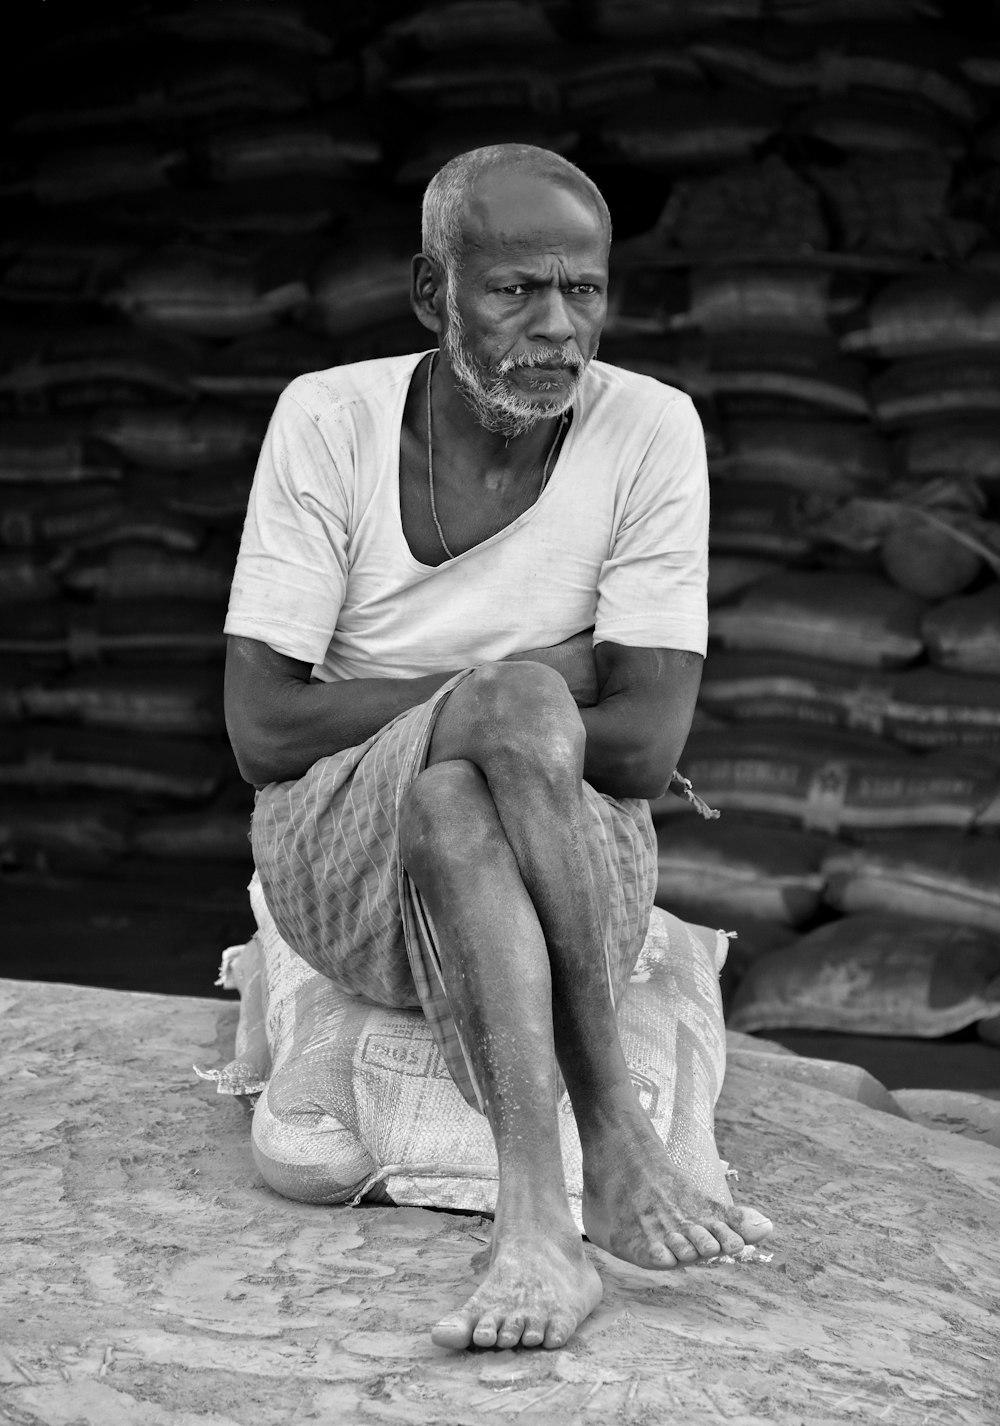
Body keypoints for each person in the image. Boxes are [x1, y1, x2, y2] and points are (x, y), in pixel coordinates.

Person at [223, 142, 773, 1352]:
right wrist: (526, 679)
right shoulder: (328, 419)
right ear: (434, 294)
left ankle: (536, 1221)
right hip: (338, 855)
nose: (558, 325)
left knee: (464, 794)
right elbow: (263, 732)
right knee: (519, 706)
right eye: (516, 288)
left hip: (574, 842)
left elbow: (636, 751)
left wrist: (475, 709)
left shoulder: (649, 430)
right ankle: (612, 1144)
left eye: (583, 290)